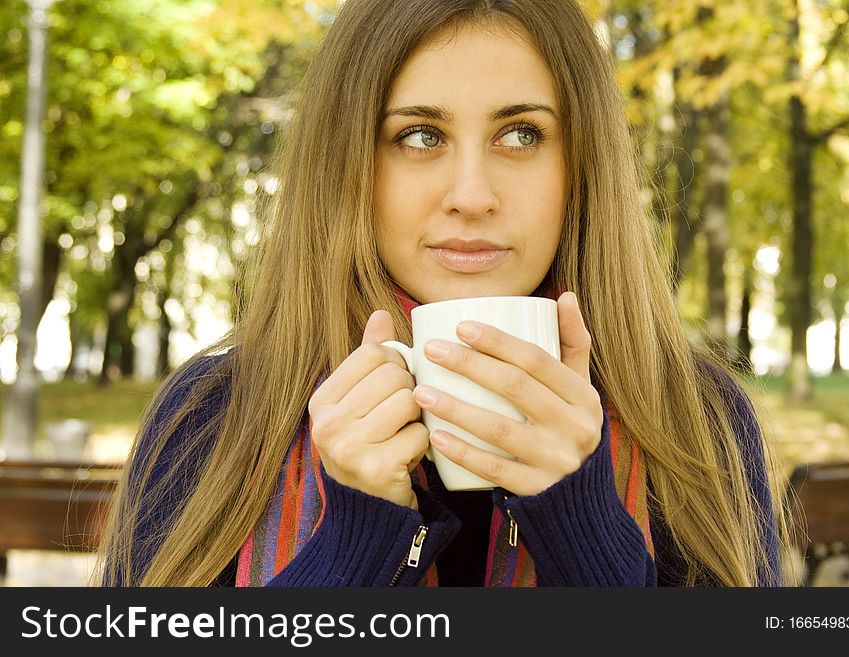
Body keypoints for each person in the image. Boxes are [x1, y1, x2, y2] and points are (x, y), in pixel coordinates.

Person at [96, 0, 797, 588]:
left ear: (579, 166)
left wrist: (583, 524)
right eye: (420, 135)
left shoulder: (697, 419)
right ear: (349, 165)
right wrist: (356, 539)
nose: (471, 196)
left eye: (521, 134)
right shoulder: (214, 415)